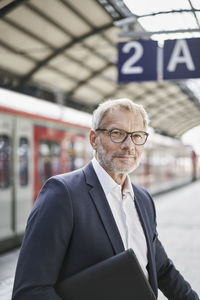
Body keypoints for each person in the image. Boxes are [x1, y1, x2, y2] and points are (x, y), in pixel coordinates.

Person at [12, 98, 199, 300]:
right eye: (117, 133)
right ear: (94, 139)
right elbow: (30, 291)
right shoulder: (62, 194)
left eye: (137, 136)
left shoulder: (143, 199)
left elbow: (162, 269)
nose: (129, 145)